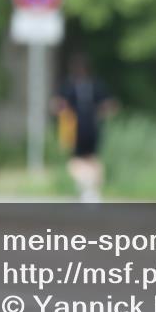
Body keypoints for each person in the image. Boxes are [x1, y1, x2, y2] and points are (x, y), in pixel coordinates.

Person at [54, 55, 118, 203]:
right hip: (85, 127)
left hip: (81, 128)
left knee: (78, 160)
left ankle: (87, 186)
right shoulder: (92, 84)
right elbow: (111, 105)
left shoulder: (72, 86)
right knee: (90, 159)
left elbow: (58, 105)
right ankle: (89, 188)